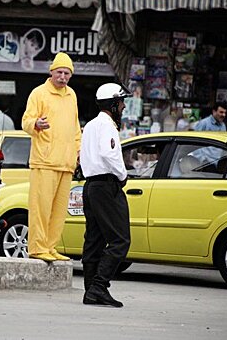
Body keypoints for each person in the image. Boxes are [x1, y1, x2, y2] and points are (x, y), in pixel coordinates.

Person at [21, 52, 81, 262]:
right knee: (41, 208)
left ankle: (51, 247)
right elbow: (26, 121)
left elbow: (75, 128)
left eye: (67, 73)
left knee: (58, 211)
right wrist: (36, 124)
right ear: (51, 72)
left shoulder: (72, 95)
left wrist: (78, 150)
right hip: (44, 161)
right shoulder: (39, 94)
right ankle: (37, 248)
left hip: (66, 163)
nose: (63, 77)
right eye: (59, 72)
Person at [80, 82, 132, 308]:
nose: (123, 107)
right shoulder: (108, 125)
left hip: (91, 186)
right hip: (106, 185)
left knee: (94, 239)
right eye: (121, 103)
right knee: (120, 240)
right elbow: (109, 154)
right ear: (112, 104)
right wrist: (122, 175)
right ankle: (99, 287)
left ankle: (91, 290)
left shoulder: (90, 125)